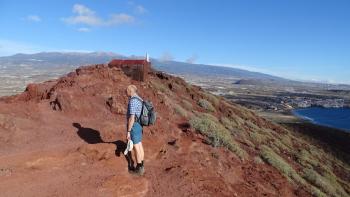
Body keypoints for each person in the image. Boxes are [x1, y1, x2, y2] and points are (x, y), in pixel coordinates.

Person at [126, 85, 145, 176]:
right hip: (140, 125)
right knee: (140, 145)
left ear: (130, 91)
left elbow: (132, 118)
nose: (126, 92)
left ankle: (139, 169)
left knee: (136, 147)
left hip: (135, 125)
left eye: (127, 90)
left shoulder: (133, 101)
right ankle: (142, 165)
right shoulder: (139, 99)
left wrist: (128, 131)